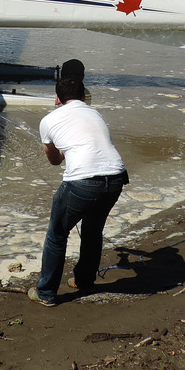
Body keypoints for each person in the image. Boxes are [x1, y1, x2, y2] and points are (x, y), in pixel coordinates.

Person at [28, 77, 128, 307]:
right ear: (84, 97)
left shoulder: (48, 120)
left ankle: (45, 292)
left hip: (82, 182)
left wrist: (63, 151)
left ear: (56, 98)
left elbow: (54, 160)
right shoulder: (95, 113)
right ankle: (84, 280)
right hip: (115, 179)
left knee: (57, 234)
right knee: (93, 230)